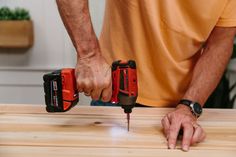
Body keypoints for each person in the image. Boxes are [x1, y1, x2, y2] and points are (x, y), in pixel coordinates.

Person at [56, 0, 236, 151]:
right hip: (112, 95)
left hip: (182, 107)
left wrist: (188, 106)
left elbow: (220, 42)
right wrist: (89, 55)